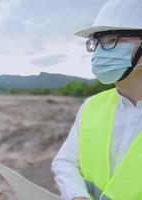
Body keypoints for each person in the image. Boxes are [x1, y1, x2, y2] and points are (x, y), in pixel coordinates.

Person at [51, 0, 142, 199]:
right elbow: (65, 162)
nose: (99, 53)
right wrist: (77, 195)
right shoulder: (92, 106)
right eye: (96, 43)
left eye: (111, 41)